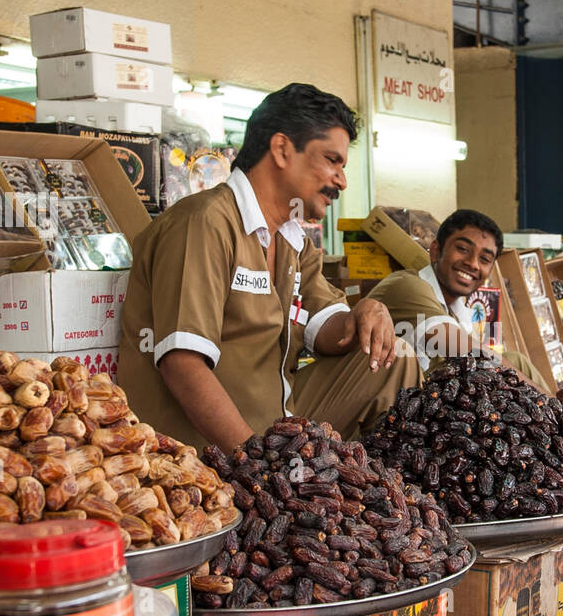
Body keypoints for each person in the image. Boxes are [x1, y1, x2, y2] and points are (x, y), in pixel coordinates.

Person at [117, 83, 421, 452]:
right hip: (205, 449)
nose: (341, 180)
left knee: (395, 357)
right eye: (331, 160)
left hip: (276, 426)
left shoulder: (294, 240)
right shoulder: (205, 223)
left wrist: (366, 312)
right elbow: (182, 364)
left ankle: (380, 492)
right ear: (281, 149)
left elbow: (328, 328)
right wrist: (257, 467)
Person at [365, 208, 552, 392]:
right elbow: (471, 353)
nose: (472, 263)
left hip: (422, 397)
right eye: (463, 249)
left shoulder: (456, 307)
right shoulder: (408, 286)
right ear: (436, 250)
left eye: (485, 259)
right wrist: (547, 401)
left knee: (516, 361)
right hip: (381, 404)